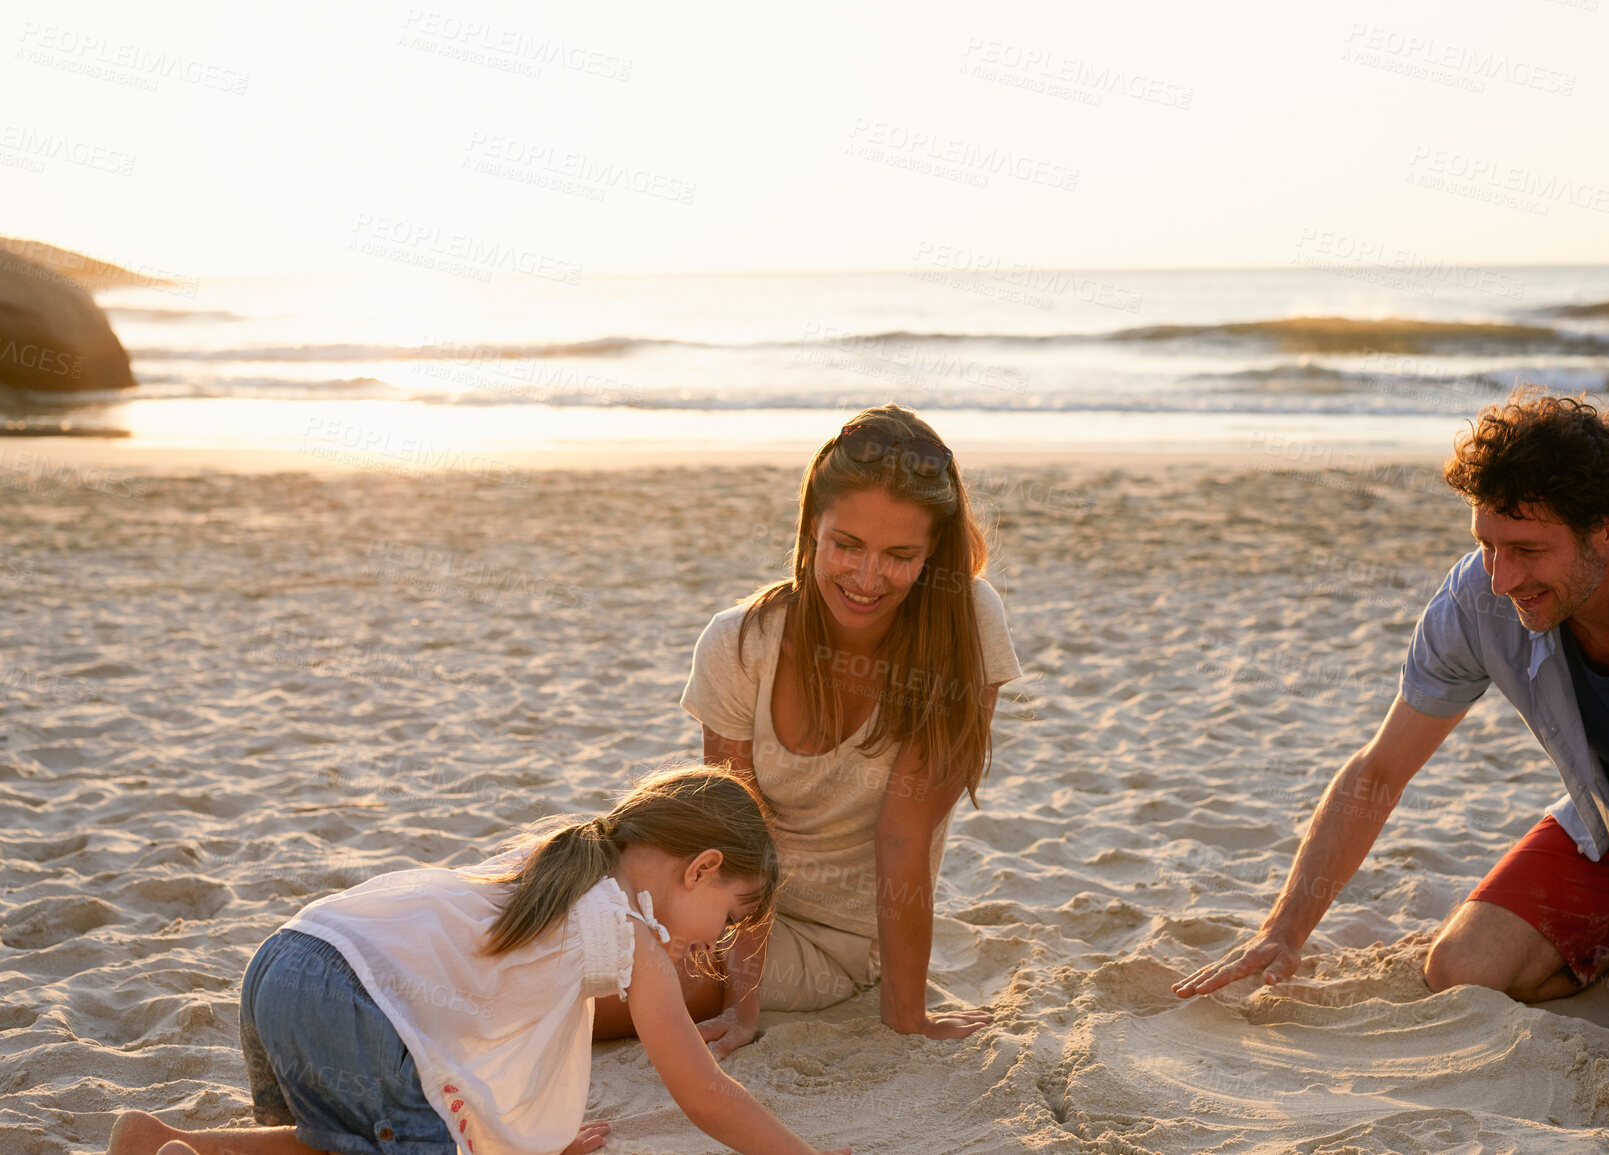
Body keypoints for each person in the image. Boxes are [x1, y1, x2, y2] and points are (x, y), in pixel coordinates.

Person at [1173, 390, 1609, 1104]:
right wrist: (1284, 932)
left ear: (1608, 524)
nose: (1501, 579)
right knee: (1462, 968)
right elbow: (1378, 770)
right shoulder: (1477, 598)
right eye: (1486, 545)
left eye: (1528, 550)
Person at [107, 767, 850, 1155]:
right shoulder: (633, 937)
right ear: (701, 867)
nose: (713, 943)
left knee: (355, 1141)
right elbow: (706, 1093)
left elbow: (485, 993)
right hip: (351, 998)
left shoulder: (561, 857)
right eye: (728, 915)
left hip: (288, 961)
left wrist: (523, 1134)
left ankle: (164, 1143)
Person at [596, 404, 1021, 1055]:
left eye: (899, 554)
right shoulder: (738, 643)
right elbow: (734, 836)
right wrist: (738, 1005)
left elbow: (904, 838)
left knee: (579, 986)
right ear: (810, 529)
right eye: (845, 545)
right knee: (527, 921)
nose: (867, 577)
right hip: (703, 889)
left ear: (933, 549)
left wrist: (905, 1017)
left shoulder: (965, 625)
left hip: (826, 940)